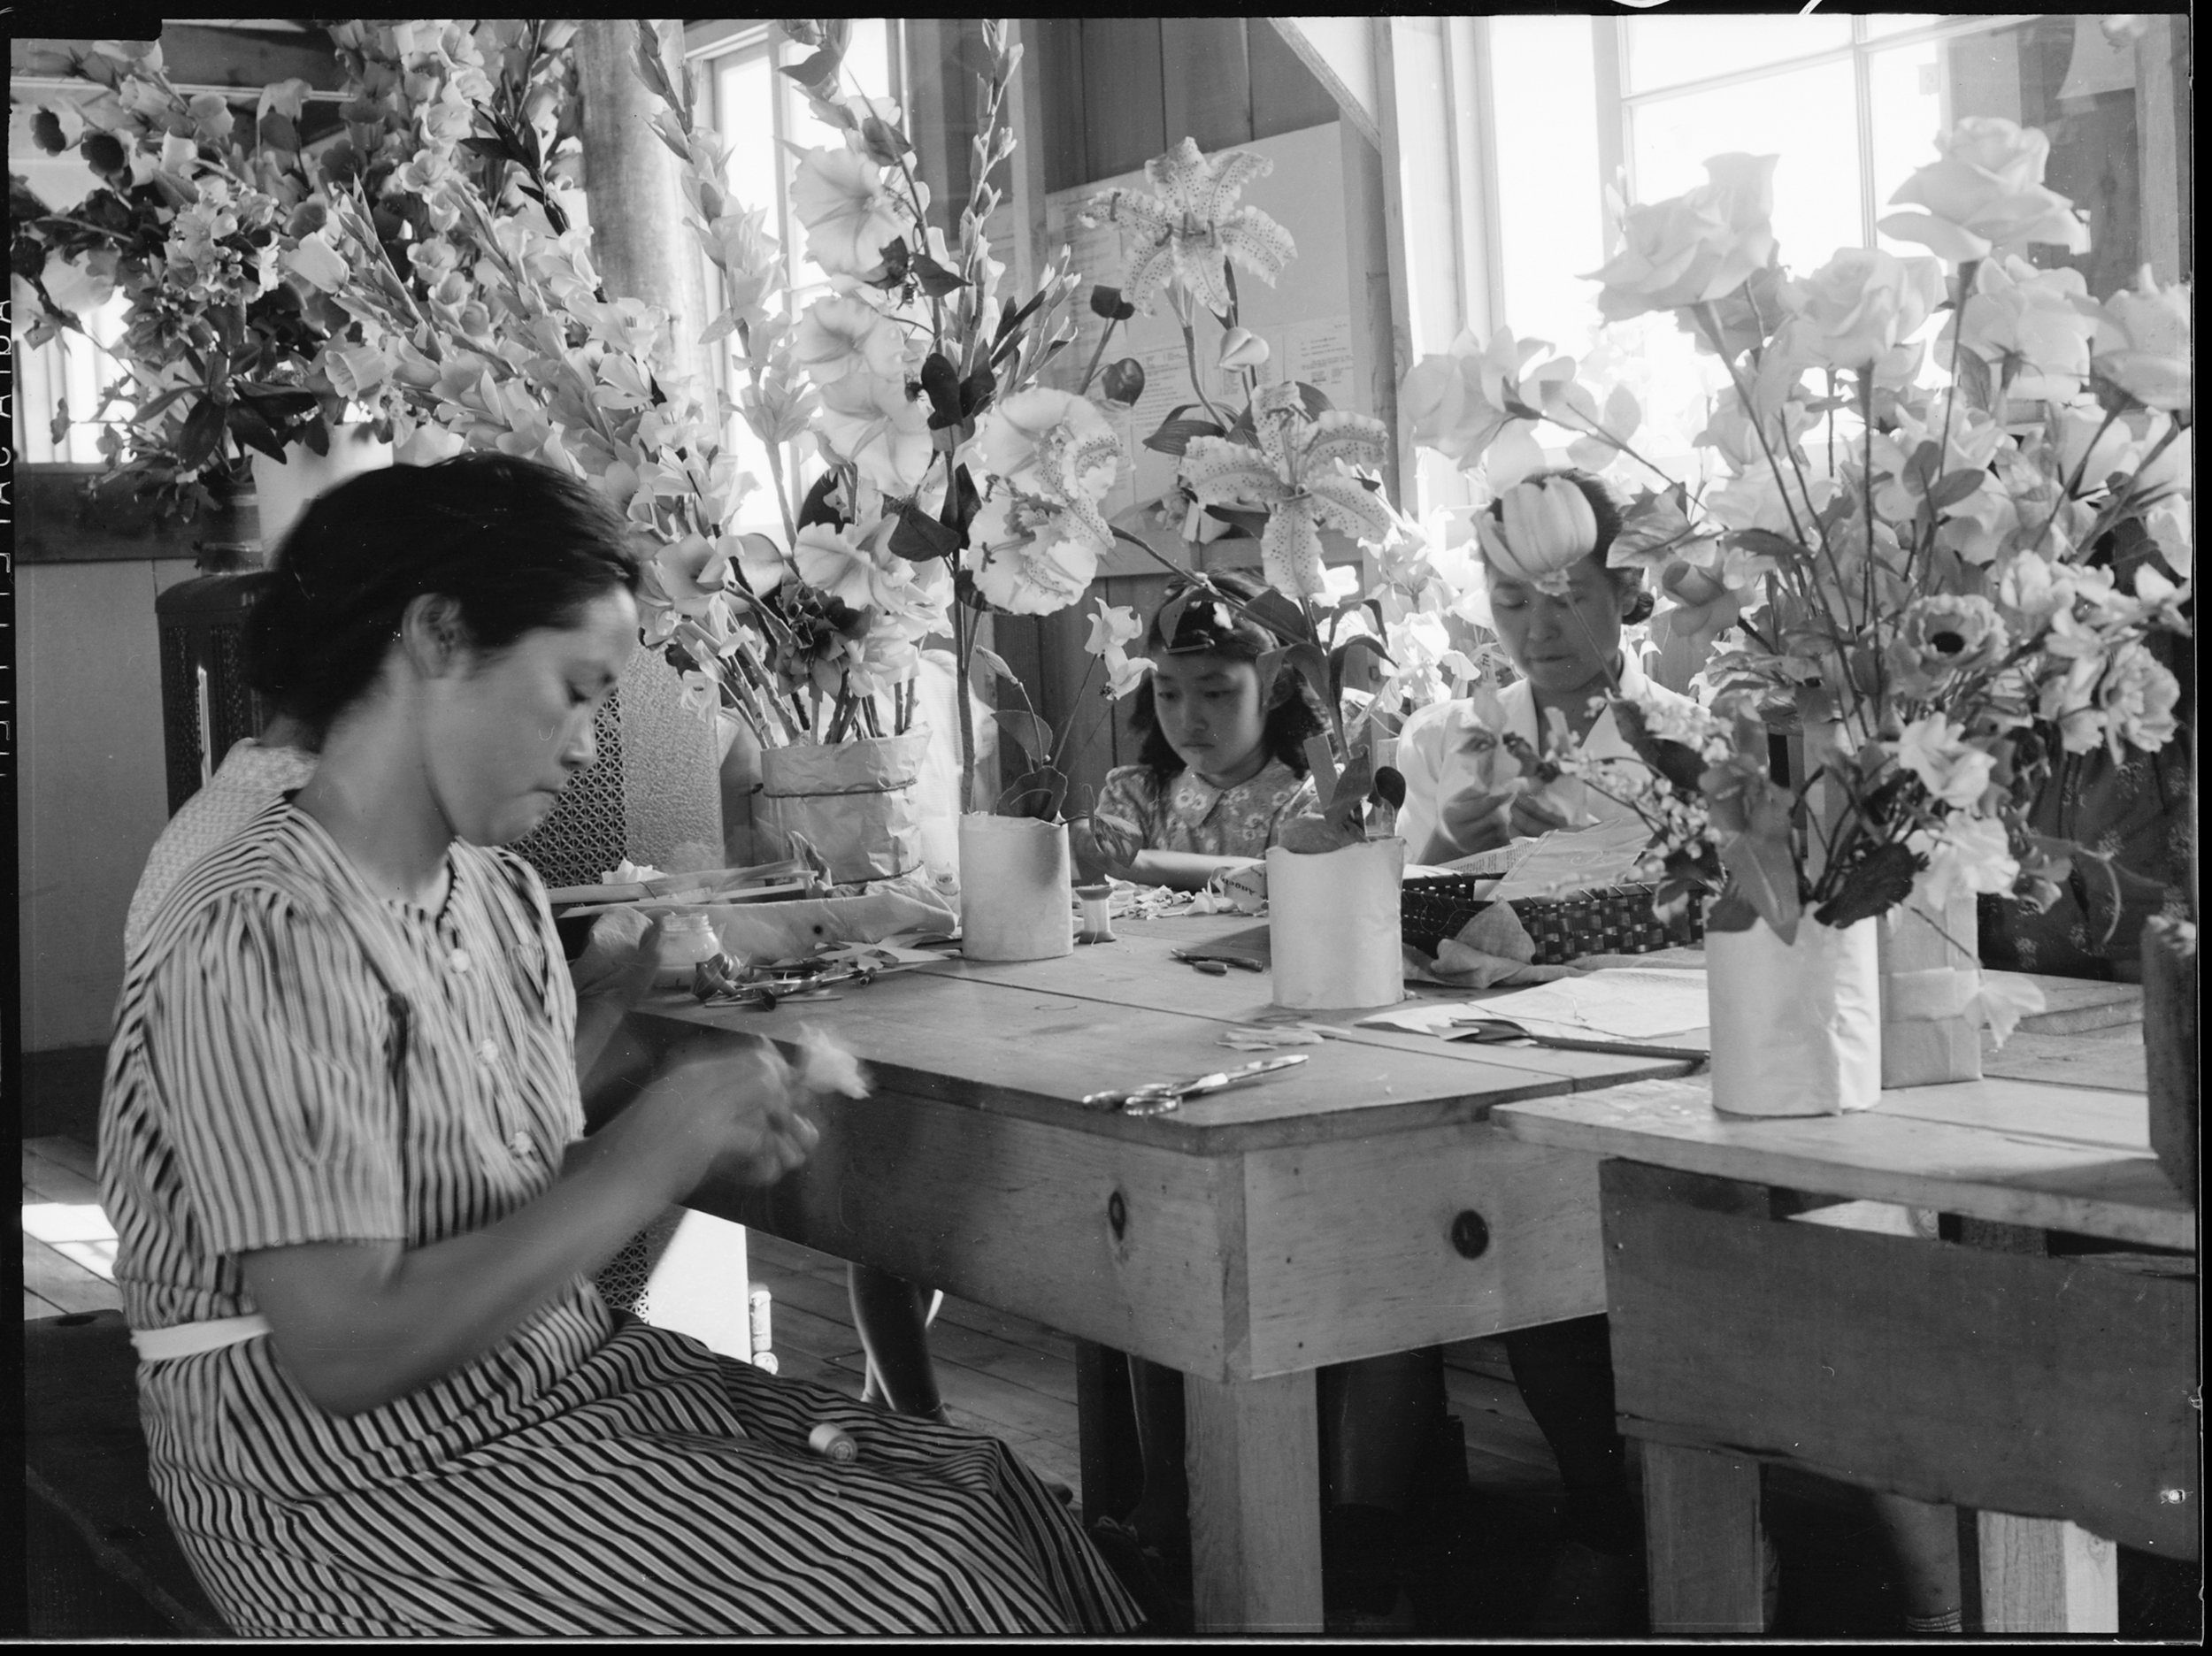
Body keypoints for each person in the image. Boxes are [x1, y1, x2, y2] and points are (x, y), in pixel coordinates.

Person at [98, 454, 1139, 1637]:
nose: (591, 743)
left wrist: (678, 1105)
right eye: (575, 690)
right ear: (437, 635)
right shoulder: (265, 927)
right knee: (925, 1577)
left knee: (980, 1492)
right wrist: (650, 1151)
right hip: (346, 1485)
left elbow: (489, 1181)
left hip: (534, 1388)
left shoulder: (487, 896)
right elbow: (344, 1347)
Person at [1064, 572, 1449, 1629]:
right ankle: (1168, 1497)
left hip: (1304, 1051)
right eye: (1175, 694)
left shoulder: (1306, 793)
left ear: (1272, 685)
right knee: (1156, 1227)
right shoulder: (1131, 794)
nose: (1191, 718)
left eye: (1219, 692)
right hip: (1170, 1041)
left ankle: (1354, 1535)